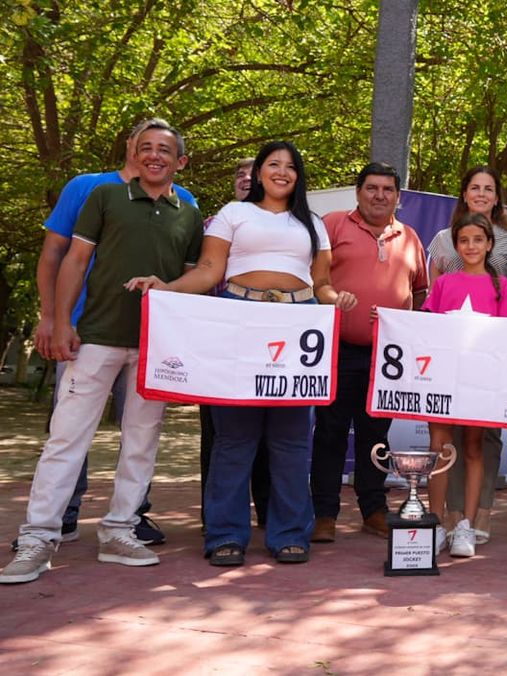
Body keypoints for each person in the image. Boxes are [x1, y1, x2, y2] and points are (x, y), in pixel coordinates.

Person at [127, 141, 356, 567]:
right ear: (260, 172)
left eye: (290, 166)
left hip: (298, 322)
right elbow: (209, 271)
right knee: (234, 437)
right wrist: (167, 289)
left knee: (291, 439)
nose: (282, 172)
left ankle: (290, 533)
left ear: (299, 176)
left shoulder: (312, 222)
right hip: (239, 318)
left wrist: (335, 298)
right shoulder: (233, 213)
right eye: (273, 164)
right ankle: (225, 534)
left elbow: (322, 282)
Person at [1, 120, 204, 584]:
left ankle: (119, 531)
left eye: (164, 150)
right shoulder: (103, 196)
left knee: (142, 441)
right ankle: (38, 537)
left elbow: (192, 280)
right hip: (95, 337)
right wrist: (60, 321)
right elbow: (73, 261)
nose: (154, 156)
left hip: (155, 348)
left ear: (181, 161)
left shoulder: (190, 214)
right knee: (66, 439)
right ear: (133, 152)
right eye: (146, 147)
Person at [310, 162, 428, 544]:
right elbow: (316, 279)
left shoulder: (410, 237)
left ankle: (373, 510)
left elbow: (420, 291)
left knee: (376, 435)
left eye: (387, 189)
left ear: (398, 196)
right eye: (372, 188)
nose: (380, 195)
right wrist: (333, 299)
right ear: (358, 192)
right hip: (338, 349)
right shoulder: (333, 225)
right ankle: (323, 514)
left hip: (387, 357)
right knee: (329, 433)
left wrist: (404, 324)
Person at [426, 166, 507, 547]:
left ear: (489, 245)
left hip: (482, 380)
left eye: (478, 240)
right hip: (445, 376)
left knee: (475, 446)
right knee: (440, 446)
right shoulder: (444, 282)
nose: (470, 246)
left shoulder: (503, 287)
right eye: (463, 240)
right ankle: (435, 523)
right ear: (455, 244)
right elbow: (426, 324)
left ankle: (467, 524)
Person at [199, 157, 271, 531]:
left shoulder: (284, 225)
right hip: (220, 343)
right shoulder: (212, 225)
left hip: (270, 346)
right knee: (219, 434)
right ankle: (216, 517)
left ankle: (269, 513)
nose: (245, 178)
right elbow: (198, 275)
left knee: (270, 431)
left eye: (251, 173)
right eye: (238, 174)